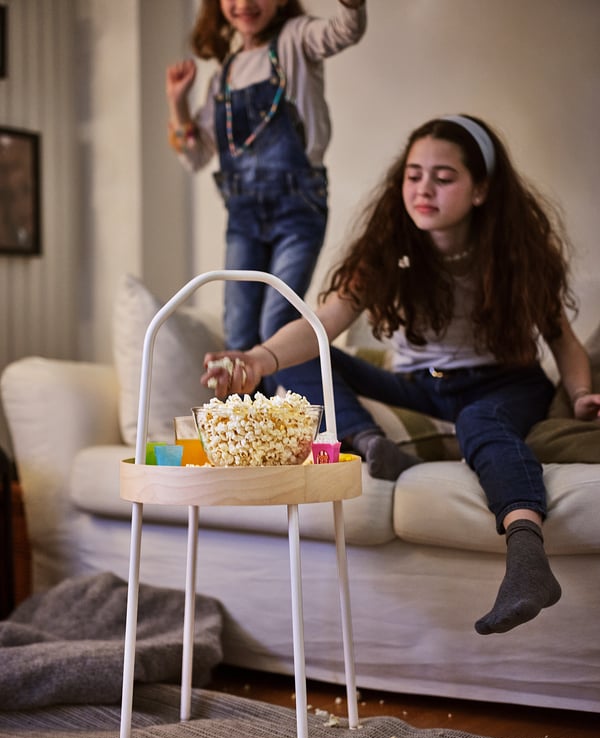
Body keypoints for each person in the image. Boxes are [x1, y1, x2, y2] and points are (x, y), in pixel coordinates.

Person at [201, 113, 600, 636]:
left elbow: (563, 340)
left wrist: (581, 393)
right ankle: (372, 443)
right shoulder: (389, 249)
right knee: (304, 356)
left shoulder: (515, 255)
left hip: (505, 384)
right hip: (422, 387)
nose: (423, 189)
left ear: (481, 190)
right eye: (414, 175)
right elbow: (323, 323)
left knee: (480, 421)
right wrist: (259, 359)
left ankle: (527, 556)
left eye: (444, 177)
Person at [166, 0, 367, 394]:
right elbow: (195, 154)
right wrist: (177, 102)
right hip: (243, 216)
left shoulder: (295, 39)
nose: (245, 4)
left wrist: (352, 7)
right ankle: (246, 424)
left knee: (276, 325)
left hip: (298, 206)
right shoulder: (223, 77)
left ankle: (314, 415)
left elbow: (344, 32)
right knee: (238, 329)